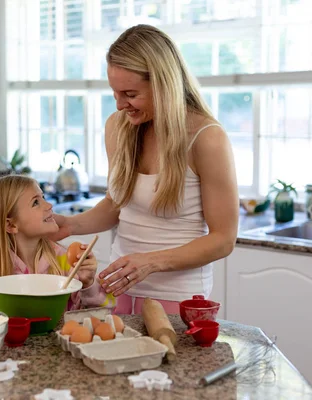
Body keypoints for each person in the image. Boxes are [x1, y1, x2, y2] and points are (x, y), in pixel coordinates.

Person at [52, 25, 239, 315]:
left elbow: (223, 239)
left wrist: (151, 261)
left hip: (179, 297)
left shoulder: (207, 138)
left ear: (164, 84)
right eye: (114, 93)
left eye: (130, 93)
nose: (119, 104)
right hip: (116, 290)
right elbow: (116, 205)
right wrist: (70, 225)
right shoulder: (118, 126)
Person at [0, 175, 116, 310]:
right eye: (36, 203)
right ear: (11, 224)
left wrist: (88, 284)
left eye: (43, 197)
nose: (49, 205)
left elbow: (103, 311)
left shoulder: (62, 259)